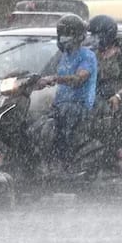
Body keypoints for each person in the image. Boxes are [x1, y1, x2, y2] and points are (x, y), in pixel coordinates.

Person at [37, 14, 98, 167]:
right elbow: (46, 73)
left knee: (61, 132)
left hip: (79, 105)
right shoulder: (63, 56)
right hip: (60, 104)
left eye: (67, 34)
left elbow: (79, 78)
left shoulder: (87, 56)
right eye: (61, 34)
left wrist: (56, 79)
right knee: (37, 127)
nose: (63, 38)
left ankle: (64, 162)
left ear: (77, 36)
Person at [86, 15, 122, 169]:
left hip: (120, 98)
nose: (93, 39)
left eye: (96, 35)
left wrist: (118, 95)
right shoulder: (91, 55)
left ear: (107, 35)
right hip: (96, 97)